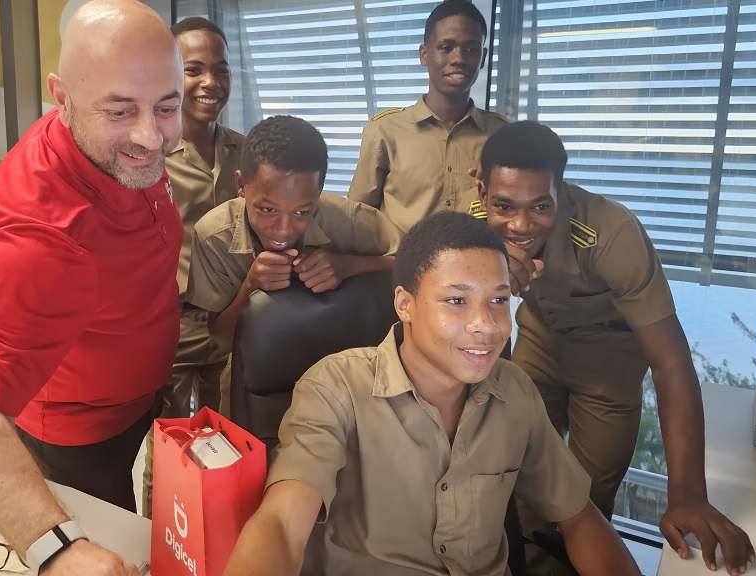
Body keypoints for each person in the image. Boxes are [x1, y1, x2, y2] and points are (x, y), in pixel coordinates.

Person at [223, 211, 641, 576]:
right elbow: (280, 523)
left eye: (498, 300)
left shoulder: (514, 391)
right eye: (457, 300)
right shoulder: (336, 387)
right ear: (405, 305)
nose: (486, 324)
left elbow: (579, 517)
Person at [0, 1, 181, 574]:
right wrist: (56, 550)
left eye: (166, 106)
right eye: (121, 110)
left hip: (139, 394)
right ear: (62, 98)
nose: (151, 137)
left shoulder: (120, 146)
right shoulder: (40, 238)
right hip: (79, 434)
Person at [474, 121, 756, 575]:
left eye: (540, 206)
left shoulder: (611, 232)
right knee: (519, 471)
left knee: (586, 494)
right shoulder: (472, 222)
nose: (520, 224)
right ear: (482, 189)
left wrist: (686, 493)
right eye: (503, 205)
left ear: (561, 196)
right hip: (539, 343)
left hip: (610, 360)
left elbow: (669, 360)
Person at [185, 115, 401, 352]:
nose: (284, 229)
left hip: (338, 358)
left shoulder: (346, 218)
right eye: (268, 209)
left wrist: (348, 265)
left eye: (301, 212)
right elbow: (223, 339)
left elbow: (415, 261)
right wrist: (250, 287)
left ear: (318, 194)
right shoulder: (214, 236)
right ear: (241, 185)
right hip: (256, 367)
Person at [140, 16, 242, 519]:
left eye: (220, 70)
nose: (211, 83)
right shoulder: (147, 154)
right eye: (194, 69)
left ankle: (214, 532)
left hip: (235, 318)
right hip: (172, 324)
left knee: (224, 438)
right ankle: (161, 544)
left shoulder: (245, 152)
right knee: (170, 443)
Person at [347, 0, 508, 232]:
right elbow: (358, 219)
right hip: (398, 266)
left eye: (471, 49)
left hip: (475, 265)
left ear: (482, 58)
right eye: (446, 47)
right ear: (424, 55)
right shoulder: (384, 131)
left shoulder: (501, 135)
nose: (459, 59)